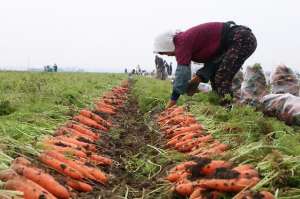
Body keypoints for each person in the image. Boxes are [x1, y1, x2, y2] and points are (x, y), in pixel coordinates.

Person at [153, 21, 257, 108]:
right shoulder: (185, 42)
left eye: (164, 52)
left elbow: (182, 74)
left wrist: (173, 101)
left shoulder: (181, 42)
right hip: (237, 40)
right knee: (215, 79)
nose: (167, 55)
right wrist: (200, 77)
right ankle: (221, 108)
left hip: (241, 39)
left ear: (166, 46)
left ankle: (227, 112)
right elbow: (213, 62)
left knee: (222, 77)